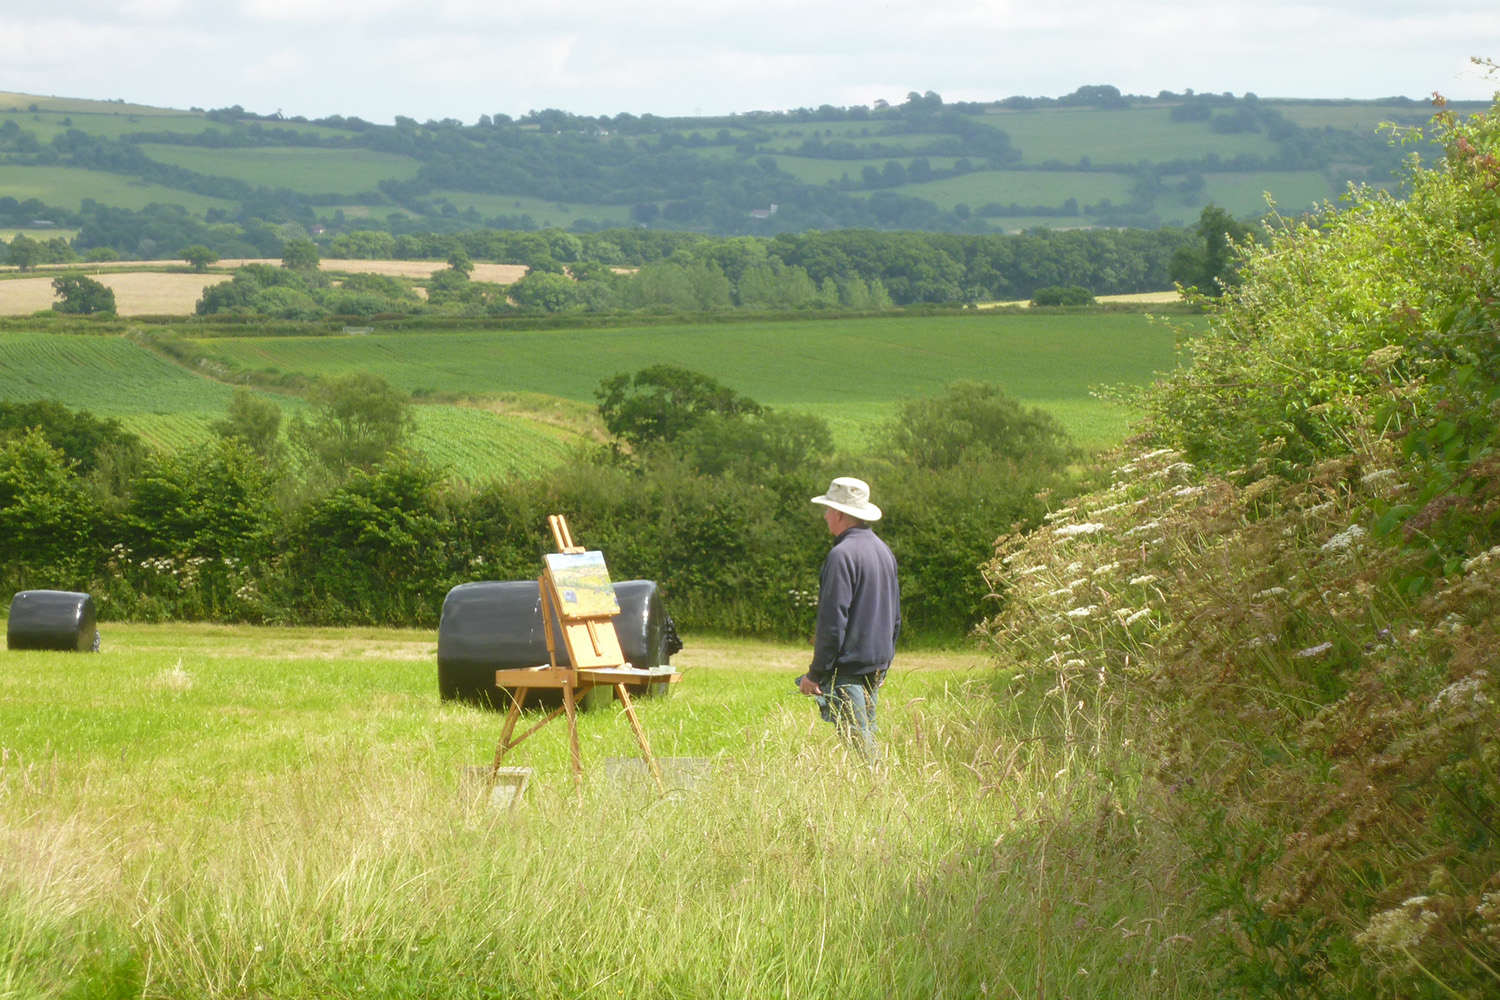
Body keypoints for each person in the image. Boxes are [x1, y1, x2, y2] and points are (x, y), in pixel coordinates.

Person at [797, 476, 901, 760]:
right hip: (875, 669)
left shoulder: (841, 555)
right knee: (868, 741)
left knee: (863, 755)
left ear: (840, 513)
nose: (826, 516)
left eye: (828, 509)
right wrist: (885, 664)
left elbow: (832, 624)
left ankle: (881, 800)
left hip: (849, 673)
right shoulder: (884, 551)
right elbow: (895, 618)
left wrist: (815, 674)